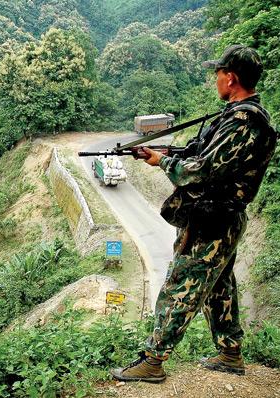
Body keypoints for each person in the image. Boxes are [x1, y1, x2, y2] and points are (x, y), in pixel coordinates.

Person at [110, 45, 277, 383]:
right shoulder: (236, 116)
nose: (215, 79)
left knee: (180, 286)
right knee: (219, 286)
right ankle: (230, 353)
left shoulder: (245, 121)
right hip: (218, 217)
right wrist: (165, 152)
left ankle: (152, 361)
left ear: (230, 78)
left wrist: (164, 162)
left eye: (218, 73)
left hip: (213, 220)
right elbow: (206, 153)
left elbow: (203, 170)